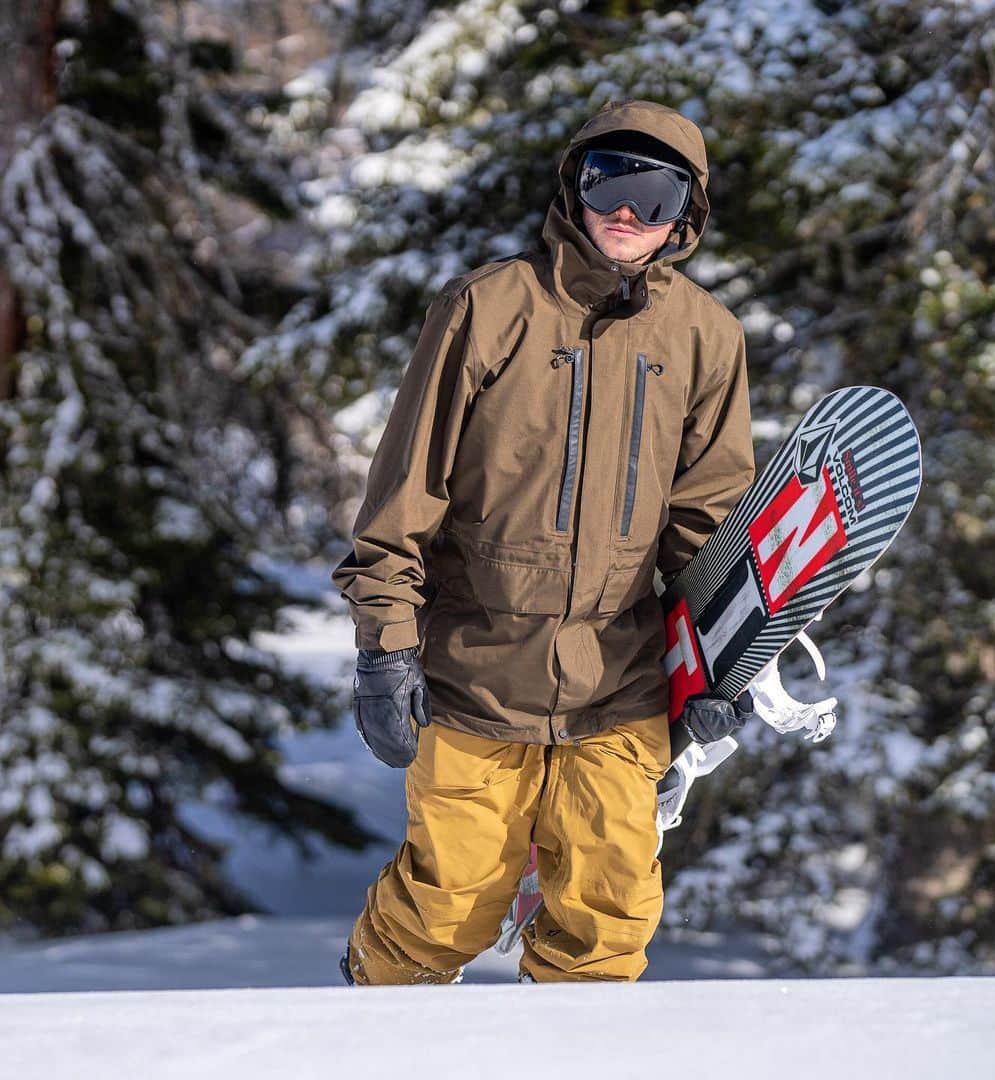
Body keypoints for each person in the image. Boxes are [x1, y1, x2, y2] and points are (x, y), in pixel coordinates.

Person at [332, 99, 755, 984]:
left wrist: (716, 667)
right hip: (478, 676)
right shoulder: (490, 308)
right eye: (610, 180)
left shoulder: (705, 336)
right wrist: (385, 647)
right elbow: (405, 494)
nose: (629, 212)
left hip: (622, 686)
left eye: (656, 190)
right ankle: (363, 1045)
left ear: (690, 211)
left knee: (606, 925)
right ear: (575, 184)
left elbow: (706, 525)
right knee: (441, 912)